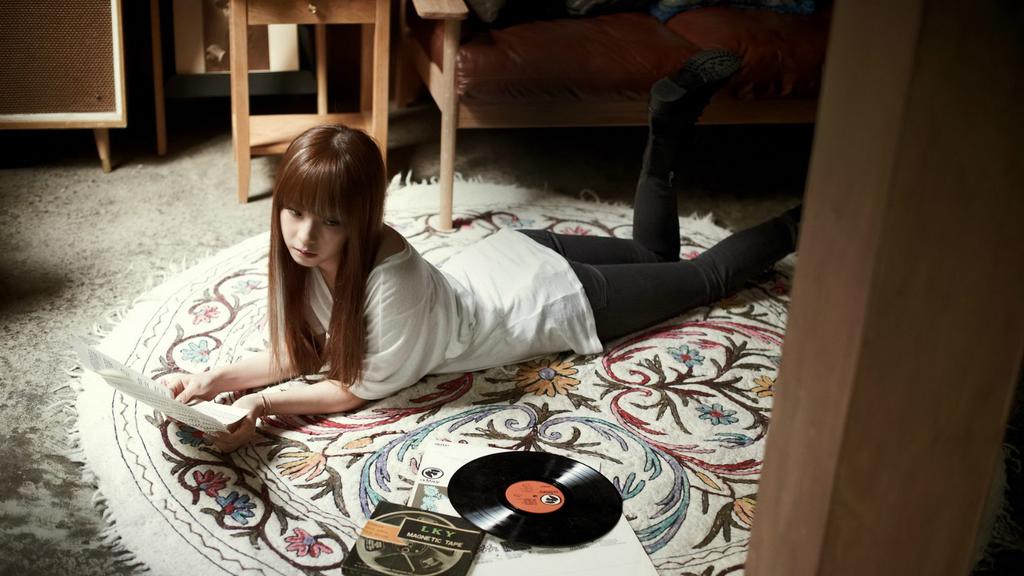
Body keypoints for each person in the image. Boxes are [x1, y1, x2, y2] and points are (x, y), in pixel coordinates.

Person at [161, 49, 800, 452]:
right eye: (294, 213)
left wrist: (263, 403)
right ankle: (668, 124)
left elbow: (353, 390)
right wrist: (217, 379)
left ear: (361, 218)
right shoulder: (303, 260)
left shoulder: (393, 282)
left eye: (329, 222)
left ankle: (811, 221)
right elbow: (305, 352)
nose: (304, 236)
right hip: (508, 254)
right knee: (653, 256)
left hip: (546, 296)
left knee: (705, 277)